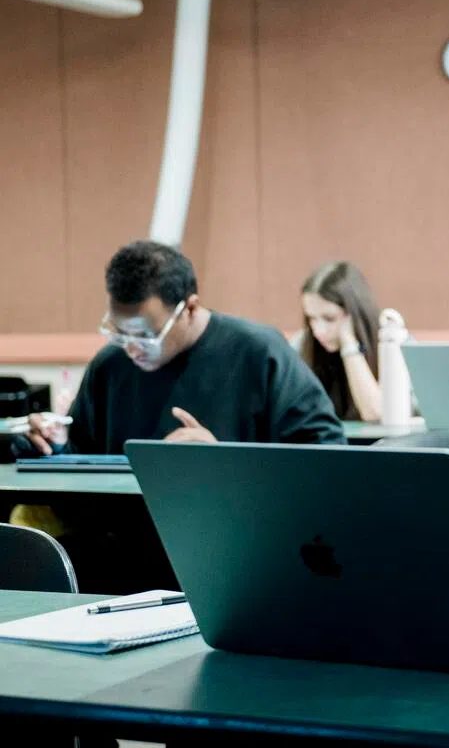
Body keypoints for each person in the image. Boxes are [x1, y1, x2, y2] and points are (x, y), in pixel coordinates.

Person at [10, 240, 345, 593]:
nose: (133, 347)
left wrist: (226, 460)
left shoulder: (259, 353)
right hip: (124, 560)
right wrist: (56, 448)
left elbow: (326, 458)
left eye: (145, 334)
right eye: (121, 332)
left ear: (190, 308)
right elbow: (84, 459)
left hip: (236, 561)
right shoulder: (112, 366)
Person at [298, 262, 383, 422]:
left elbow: (374, 413)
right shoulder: (301, 344)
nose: (318, 331)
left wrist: (349, 345)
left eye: (329, 319)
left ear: (354, 314)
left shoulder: (391, 343)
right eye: (311, 318)